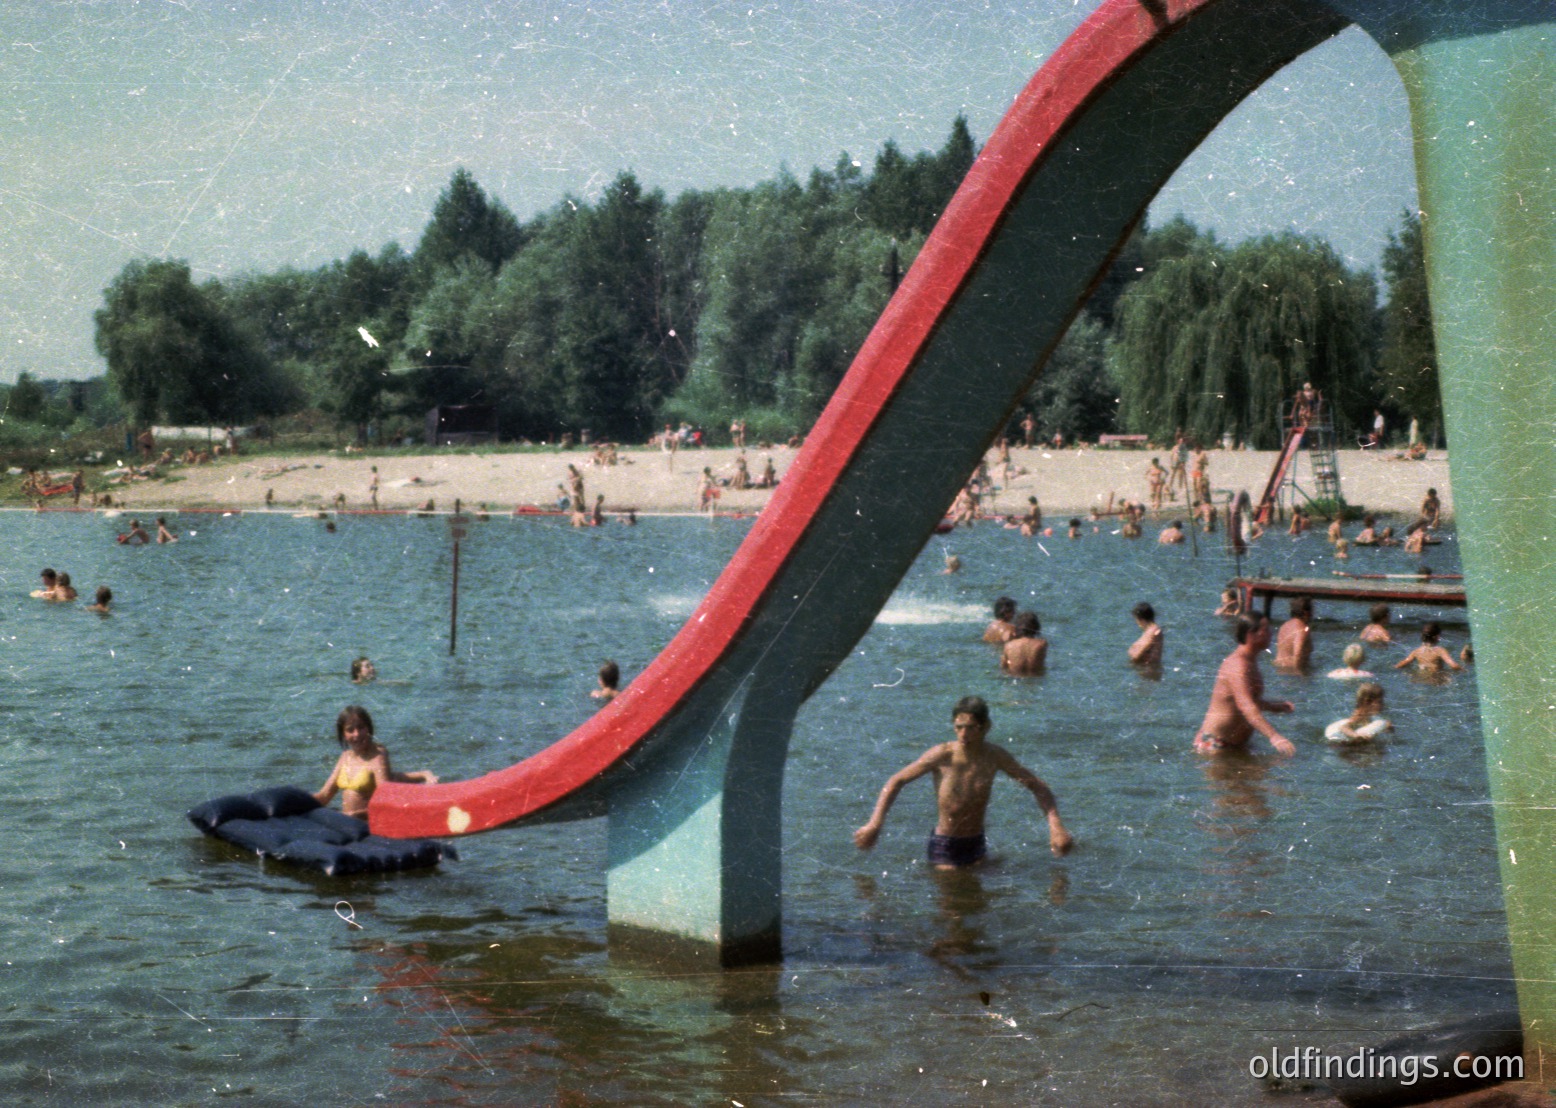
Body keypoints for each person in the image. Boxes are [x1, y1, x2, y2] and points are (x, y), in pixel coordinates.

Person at [852, 695, 1073, 867]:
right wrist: (875, 823)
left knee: (977, 908)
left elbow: (1037, 785)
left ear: (985, 727)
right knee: (952, 909)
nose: (963, 734)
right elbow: (896, 781)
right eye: (959, 727)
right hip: (945, 844)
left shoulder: (995, 756)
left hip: (976, 842)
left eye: (970, 728)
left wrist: (1056, 827)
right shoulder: (943, 755)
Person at [1194, 614, 1296, 756]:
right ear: (1250, 634)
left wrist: (1275, 707)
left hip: (1236, 747)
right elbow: (1246, 706)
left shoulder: (1250, 661)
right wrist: (1274, 736)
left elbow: (1247, 701)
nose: (1270, 633)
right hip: (1216, 744)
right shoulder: (1238, 665)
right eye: (1265, 630)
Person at [313, 705, 437, 819]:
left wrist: (354, 815)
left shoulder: (378, 757)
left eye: (361, 727)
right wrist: (298, 801)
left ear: (369, 729)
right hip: (349, 822)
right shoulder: (345, 757)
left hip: (368, 824)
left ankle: (423, 775)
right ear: (343, 734)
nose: (357, 734)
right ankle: (422, 774)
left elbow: (386, 803)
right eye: (350, 730)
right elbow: (324, 796)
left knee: (391, 780)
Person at [1325, 683, 1392, 744]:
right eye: (1379, 702)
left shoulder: (1370, 714)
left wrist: (1387, 727)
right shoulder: (1360, 714)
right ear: (1367, 702)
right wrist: (1356, 735)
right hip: (1341, 743)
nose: (1383, 704)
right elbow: (1344, 727)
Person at [1395, 622, 1464, 675]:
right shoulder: (1440, 651)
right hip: (1436, 680)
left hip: (1420, 679)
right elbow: (1453, 665)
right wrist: (1463, 671)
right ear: (1437, 637)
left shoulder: (1416, 651)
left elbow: (1401, 664)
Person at [1275, 596, 1313, 671]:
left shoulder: (1284, 626)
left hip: (1280, 670)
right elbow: (1297, 654)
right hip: (1293, 673)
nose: (1312, 615)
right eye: (1311, 611)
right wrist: (1299, 673)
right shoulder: (1302, 629)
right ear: (1305, 612)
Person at [1127, 602, 1163, 667]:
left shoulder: (1153, 632)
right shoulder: (1150, 630)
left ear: (1141, 619)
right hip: (1148, 668)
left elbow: (1138, 654)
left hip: (1149, 670)